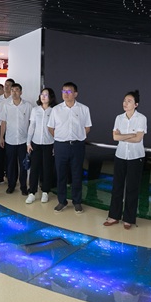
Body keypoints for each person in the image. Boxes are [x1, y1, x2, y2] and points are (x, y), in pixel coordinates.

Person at [103, 90, 147, 230]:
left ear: (136, 104)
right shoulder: (119, 118)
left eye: (129, 101)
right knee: (117, 186)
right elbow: (115, 137)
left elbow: (138, 139)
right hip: (120, 155)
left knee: (132, 188)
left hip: (136, 156)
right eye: (124, 100)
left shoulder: (141, 118)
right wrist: (130, 135)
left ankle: (129, 218)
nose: (125, 103)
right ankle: (114, 216)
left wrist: (123, 136)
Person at [48, 82, 92, 213]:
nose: (66, 94)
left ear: (75, 94)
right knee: (61, 174)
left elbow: (87, 127)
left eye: (69, 91)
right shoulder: (56, 109)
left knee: (77, 174)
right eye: (64, 91)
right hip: (61, 146)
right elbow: (51, 128)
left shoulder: (84, 109)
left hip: (77, 146)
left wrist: (78, 137)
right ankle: (62, 201)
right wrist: (61, 138)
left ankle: (77, 202)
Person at [0, 83, 33, 195]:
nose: (14, 92)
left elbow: (31, 123)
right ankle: (11, 185)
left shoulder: (28, 106)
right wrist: (1, 137)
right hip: (10, 140)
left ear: (21, 92)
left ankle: (23, 187)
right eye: (12, 90)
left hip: (24, 141)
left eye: (17, 90)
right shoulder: (6, 105)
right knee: (11, 165)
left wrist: (30, 140)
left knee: (24, 165)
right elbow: (3, 122)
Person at [26, 88, 56, 204]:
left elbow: (56, 128)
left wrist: (56, 145)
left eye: (46, 95)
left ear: (51, 97)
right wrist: (28, 142)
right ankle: (32, 192)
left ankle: (45, 191)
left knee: (47, 168)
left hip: (49, 143)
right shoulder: (35, 110)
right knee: (34, 168)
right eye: (42, 94)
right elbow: (32, 126)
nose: (43, 97)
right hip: (36, 143)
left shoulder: (54, 111)